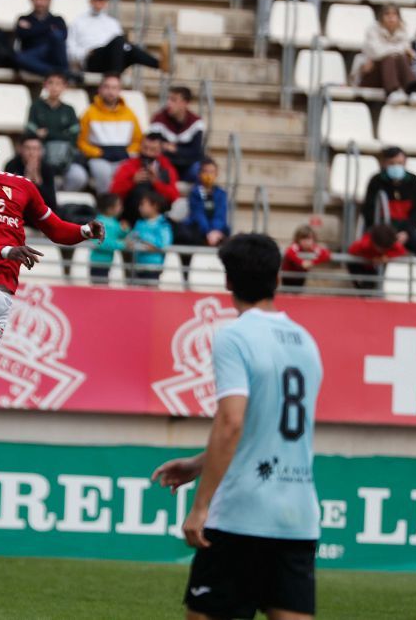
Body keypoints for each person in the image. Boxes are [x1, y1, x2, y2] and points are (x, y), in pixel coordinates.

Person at [152, 233, 323, 620]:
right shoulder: (305, 341)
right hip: (297, 518)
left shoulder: (235, 336)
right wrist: (198, 464)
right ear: (278, 279)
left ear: (228, 282)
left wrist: (200, 506)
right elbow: (265, 427)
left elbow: (232, 422)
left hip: (242, 516)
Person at [0, 126, 105, 476]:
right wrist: (7, 249)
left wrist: (85, 231)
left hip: (4, 295)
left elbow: (55, 228)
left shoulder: (22, 187)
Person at [67, 0, 163, 74]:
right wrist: (86, 53)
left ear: (106, 1)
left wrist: (128, 49)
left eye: (101, 0)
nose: (98, 3)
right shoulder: (78, 22)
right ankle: (114, 77)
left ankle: (160, 64)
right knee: (119, 40)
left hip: (112, 56)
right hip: (92, 58)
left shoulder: (112, 23)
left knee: (130, 49)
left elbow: (122, 46)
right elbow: (70, 50)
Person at [361, 147, 416, 261]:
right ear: (384, 163)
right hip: (382, 230)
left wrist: (406, 232)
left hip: (405, 231)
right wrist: (385, 233)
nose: (396, 167)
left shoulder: (413, 181)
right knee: (367, 248)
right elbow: (368, 210)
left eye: (399, 163)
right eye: (392, 163)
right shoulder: (376, 181)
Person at [77, 74, 143, 195]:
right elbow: (81, 142)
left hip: (123, 155)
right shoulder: (89, 112)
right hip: (99, 157)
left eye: (114, 88)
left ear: (119, 90)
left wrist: (127, 152)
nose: (110, 91)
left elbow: (138, 141)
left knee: (129, 172)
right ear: (100, 89)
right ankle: (105, 207)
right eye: (107, 87)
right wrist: (98, 152)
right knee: (102, 172)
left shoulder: (130, 113)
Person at [25, 72, 85, 191]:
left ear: (64, 87)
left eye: (58, 84)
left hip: (65, 158)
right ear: (45, 85)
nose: (54, 87)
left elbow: (73, 136)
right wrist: (62, 134)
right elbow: (30, 133)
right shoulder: (36, 107)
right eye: (51, 83)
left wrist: (47, 134)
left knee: (79, 176)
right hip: (42, 157)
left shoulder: (69, 110)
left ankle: (62, 201)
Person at [359, 5, 416, 107]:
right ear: (381, 17)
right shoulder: (372, 30)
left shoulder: (403, 31)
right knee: (389, 58)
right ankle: (392, 92)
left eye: (394, 14)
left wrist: (394, 51)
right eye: (387, 14)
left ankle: (413, 91)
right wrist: (397, 50)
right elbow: (377, 52)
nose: (391, 17)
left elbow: (409, 53)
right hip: (370, 75)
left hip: (394, 76)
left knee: (401, 58)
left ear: (398, 18)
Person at [110, 132, 179, 225]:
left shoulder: (167, 168)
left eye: (153, 150)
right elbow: (114, 192)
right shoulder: (129, 165)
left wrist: (156, 182)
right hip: (131, 214)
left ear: (160, 151)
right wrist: (132, 181)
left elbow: (173, 197)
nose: (148, 153)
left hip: (157, 217)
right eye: (145, 148)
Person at [149, 86, 206, 183]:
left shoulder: (196, 123)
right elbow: (153, 148)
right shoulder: (159, 120)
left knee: (201, 170)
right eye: (168, 99)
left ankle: (201, 197)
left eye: (173, 100)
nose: (169, 103)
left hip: (187, 167)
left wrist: (175, 149)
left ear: (185, 103)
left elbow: (196, 152)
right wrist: (182, 151)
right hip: (166, 166)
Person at [15, 0, 71, 79]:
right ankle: (61, 73)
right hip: (33, 56)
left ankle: (57, 72)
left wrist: (33, 29)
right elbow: (22, 34)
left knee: (56, 36)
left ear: (49, 0)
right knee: (18, 58)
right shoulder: (23, 18)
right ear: (31, 0)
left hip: (52, 54)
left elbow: (62, 37)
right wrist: (48, 28)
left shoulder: (58, 19)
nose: (39, 2)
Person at [129, 191, 173, 286]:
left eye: (143, 204)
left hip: (153, 268)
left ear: (155, 206)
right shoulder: (139, 223)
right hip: (137, 267)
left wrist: (143, 238)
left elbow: (163, 244)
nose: (140, 208)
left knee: (151, 296)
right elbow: (130, 239)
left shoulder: (163, 224)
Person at [347, 223, 407, 291]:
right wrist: (371, 258)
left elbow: (402, 251)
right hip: (358, 266)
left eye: (386, 248)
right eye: (381, 248)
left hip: (370, 269)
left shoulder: (389, 243)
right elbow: (351, 250)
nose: (382, 251)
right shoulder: (364, 244)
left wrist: (387, 256)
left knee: (370, 284)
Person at [6, 135, 57, 211]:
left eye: (35, 149)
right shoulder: (12, 165)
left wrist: (38, 182)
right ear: (21, 149)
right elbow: (8, 196)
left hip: (40, 211)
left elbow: (52, 203)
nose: (32, 153)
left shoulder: (47, 168)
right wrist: (26, 181)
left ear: (41, 151)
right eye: (28, 148)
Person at [88, 193, 129, 284]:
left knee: (103, 288)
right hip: (98, 263)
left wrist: (124, 230)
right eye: (119, 205)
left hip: (107, 263)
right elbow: (101, 242)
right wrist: (123, 245)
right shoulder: (98, 223)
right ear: (110, 208)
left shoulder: (114, 222)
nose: (121, 208)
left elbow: (118, 234)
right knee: (99, 290)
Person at [281, 224, 331, 289]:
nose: (307, 242)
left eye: (309, 238)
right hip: (288, 276)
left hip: (301, 276)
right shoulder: (295, 246)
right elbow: (289, 252)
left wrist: (312, 262)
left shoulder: (313, 248)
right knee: (288, 294)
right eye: (303, 239)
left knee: (298, 294)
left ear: (314, 239)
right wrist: (302, 263)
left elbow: (327, 254)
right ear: (298, 239)